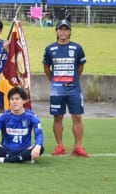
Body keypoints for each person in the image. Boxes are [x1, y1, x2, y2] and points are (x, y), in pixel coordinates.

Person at [43, 19, 88, 157]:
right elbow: (46, 68)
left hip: (74, 89)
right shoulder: (50, 49)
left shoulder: (77, 48)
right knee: (58, 117)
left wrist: (73, 80)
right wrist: (55, 81)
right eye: (61, 29)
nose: (63, 32)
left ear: (70, 32)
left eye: (66, 29)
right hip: (57, 89)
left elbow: (80, 67)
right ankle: (60, 146)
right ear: (56, 31)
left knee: (77, 117)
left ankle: (78, 147)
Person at [0, 87, 44, 164]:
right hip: (6, 149)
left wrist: (38, 146)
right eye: (12, 99)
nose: (14, 102)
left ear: (24, 100)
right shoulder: (3, 116)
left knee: (40, 148)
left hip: (24, 149)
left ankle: (3, 160)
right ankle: (23, 159)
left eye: (17, 99)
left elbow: (39, 134)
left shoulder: (32, 117)